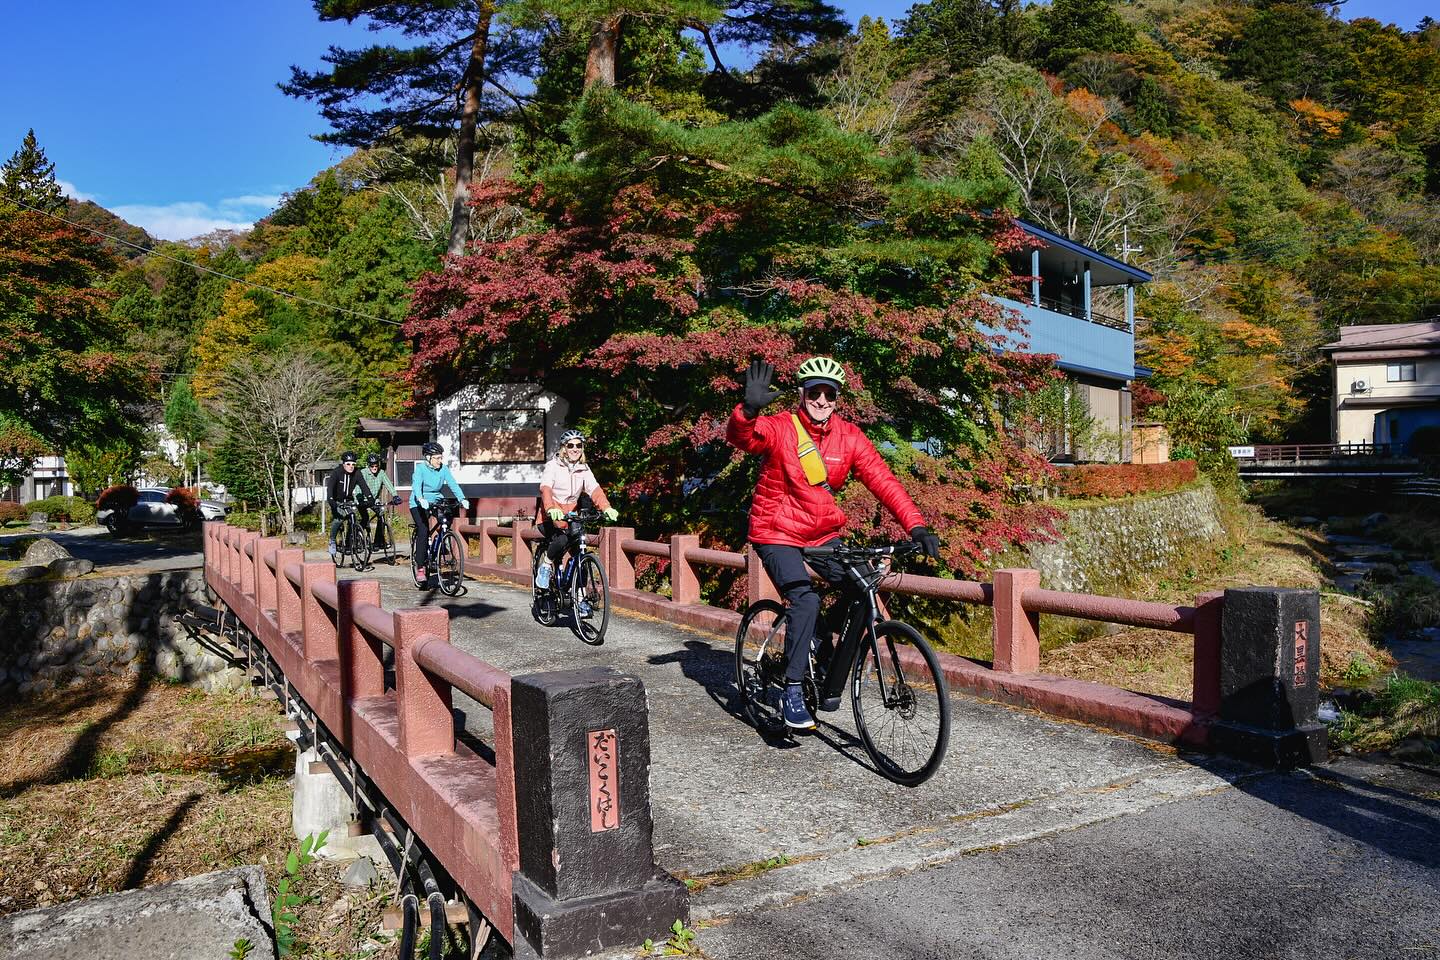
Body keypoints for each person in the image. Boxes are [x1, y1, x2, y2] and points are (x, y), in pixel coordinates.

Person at [726, 357, 942, 732]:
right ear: (802, 393)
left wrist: (917, 527)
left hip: (822, 534)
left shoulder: (849, 437)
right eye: (814, 392)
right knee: (806, 599)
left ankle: (821, 645)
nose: (821, 400)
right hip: (775, 532)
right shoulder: (780, 428)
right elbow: (742, 437)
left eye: (829, 394)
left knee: (863, 585)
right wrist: (747, 409)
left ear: (837, 398)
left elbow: (884, 482)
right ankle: (791, 690)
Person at [535, 429, 619, 588]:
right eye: (571, 445)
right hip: (549, 517)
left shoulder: (584, 468)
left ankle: (580, 599)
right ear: (564, 448)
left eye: (579, 445)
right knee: (563, 539)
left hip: (571, 517)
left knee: (580, 553)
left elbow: (594, 489)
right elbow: (545, 488)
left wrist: (606, 507)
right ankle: (545, 567)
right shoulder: (553, 466)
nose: (575, 449)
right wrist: (551, 508)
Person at [409, 441, 469, 580]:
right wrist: (420, 498)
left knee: (446, 519)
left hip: (436, 499)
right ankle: (420, 568)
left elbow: (453, 483)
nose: (439, 460)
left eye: (441, 457)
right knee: (423, 531)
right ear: (428, 458)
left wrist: (462, 498)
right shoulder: (420, 469)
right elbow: (416, 485)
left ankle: (439, 540)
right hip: (419, 502)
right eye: (437, 458)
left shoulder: (443, 469)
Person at [357, 453, 399, 550]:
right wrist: (359, 499)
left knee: (381, 514)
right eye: (372, 466)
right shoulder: (363, 473)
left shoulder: (381, 473)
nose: (374, 468)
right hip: (362, 499)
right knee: (365, 518)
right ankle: (357, 534)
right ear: (368, 465)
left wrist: (395, 495)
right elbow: (359, 487)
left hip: (374, 500)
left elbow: (388, 484)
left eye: (376, 465)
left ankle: (378, 542)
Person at [325, 451, 362, 557]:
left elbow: (364, 486)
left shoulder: (357, 473)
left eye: (353, 464)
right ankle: (332, 540)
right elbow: (330, 489)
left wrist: (370, 498)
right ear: (343, 464)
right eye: (348, 464)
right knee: (339, 519)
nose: (351, 466)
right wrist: (332, 501)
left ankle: (349, 543)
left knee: (353, 517)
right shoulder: (337, 472)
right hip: (337, 501)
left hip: (349, 500)